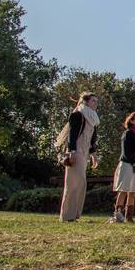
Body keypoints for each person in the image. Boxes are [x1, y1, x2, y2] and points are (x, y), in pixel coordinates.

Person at [58, 92, 100, 222]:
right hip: (76, 151)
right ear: (86, 102)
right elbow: (72, 134)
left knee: (81, 183)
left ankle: (75, 214)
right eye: (93, 101)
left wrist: (93, 154)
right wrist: (72, 151)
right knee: (73, 183)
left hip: (85, 151)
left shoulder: (92, 118)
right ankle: (67, 215)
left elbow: (93, 139)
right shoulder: (78, 115)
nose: (95, 103)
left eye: (96, 101)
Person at [110, 112, 135, 223]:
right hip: (127, 165)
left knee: (133, 191)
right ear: (131, 120)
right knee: (123, 190)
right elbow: (126, 152)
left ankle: (129, 217)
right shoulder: (128, 133)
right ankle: (118, 215)